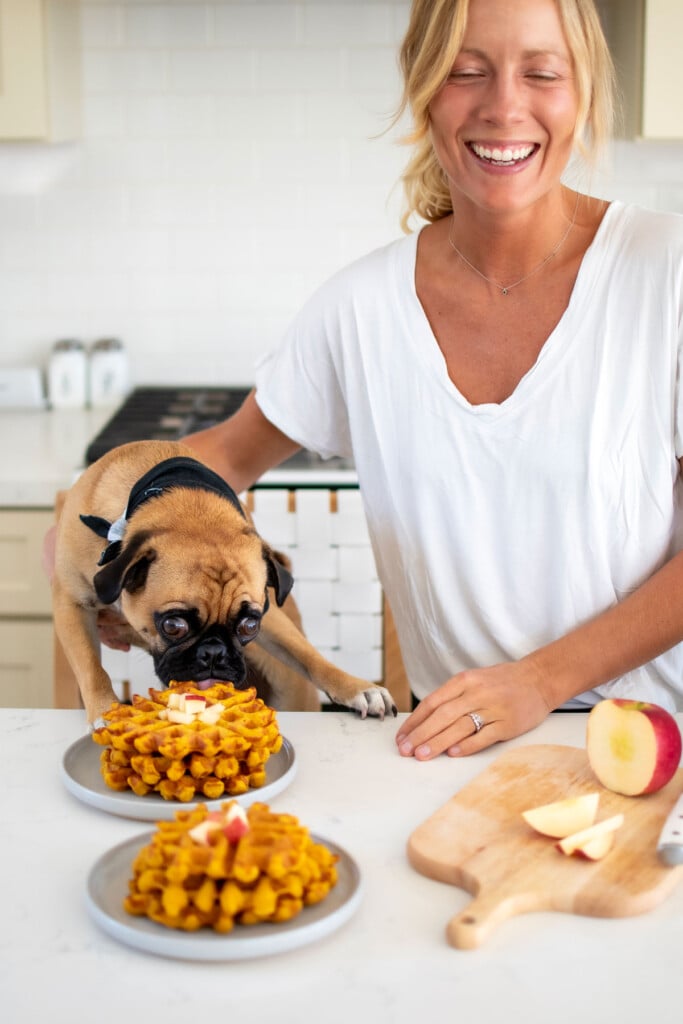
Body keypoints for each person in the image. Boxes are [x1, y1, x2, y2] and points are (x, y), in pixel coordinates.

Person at [51, 0, 683, 760]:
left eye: (541, 72)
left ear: (580, 92)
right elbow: (224, 455)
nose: (503, 105)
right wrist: (102, 526)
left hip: (651, 743)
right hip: (448, 741)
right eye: (465, 71)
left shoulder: (665, 272)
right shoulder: (360, 307)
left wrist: (538, 681)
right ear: (422, 89)